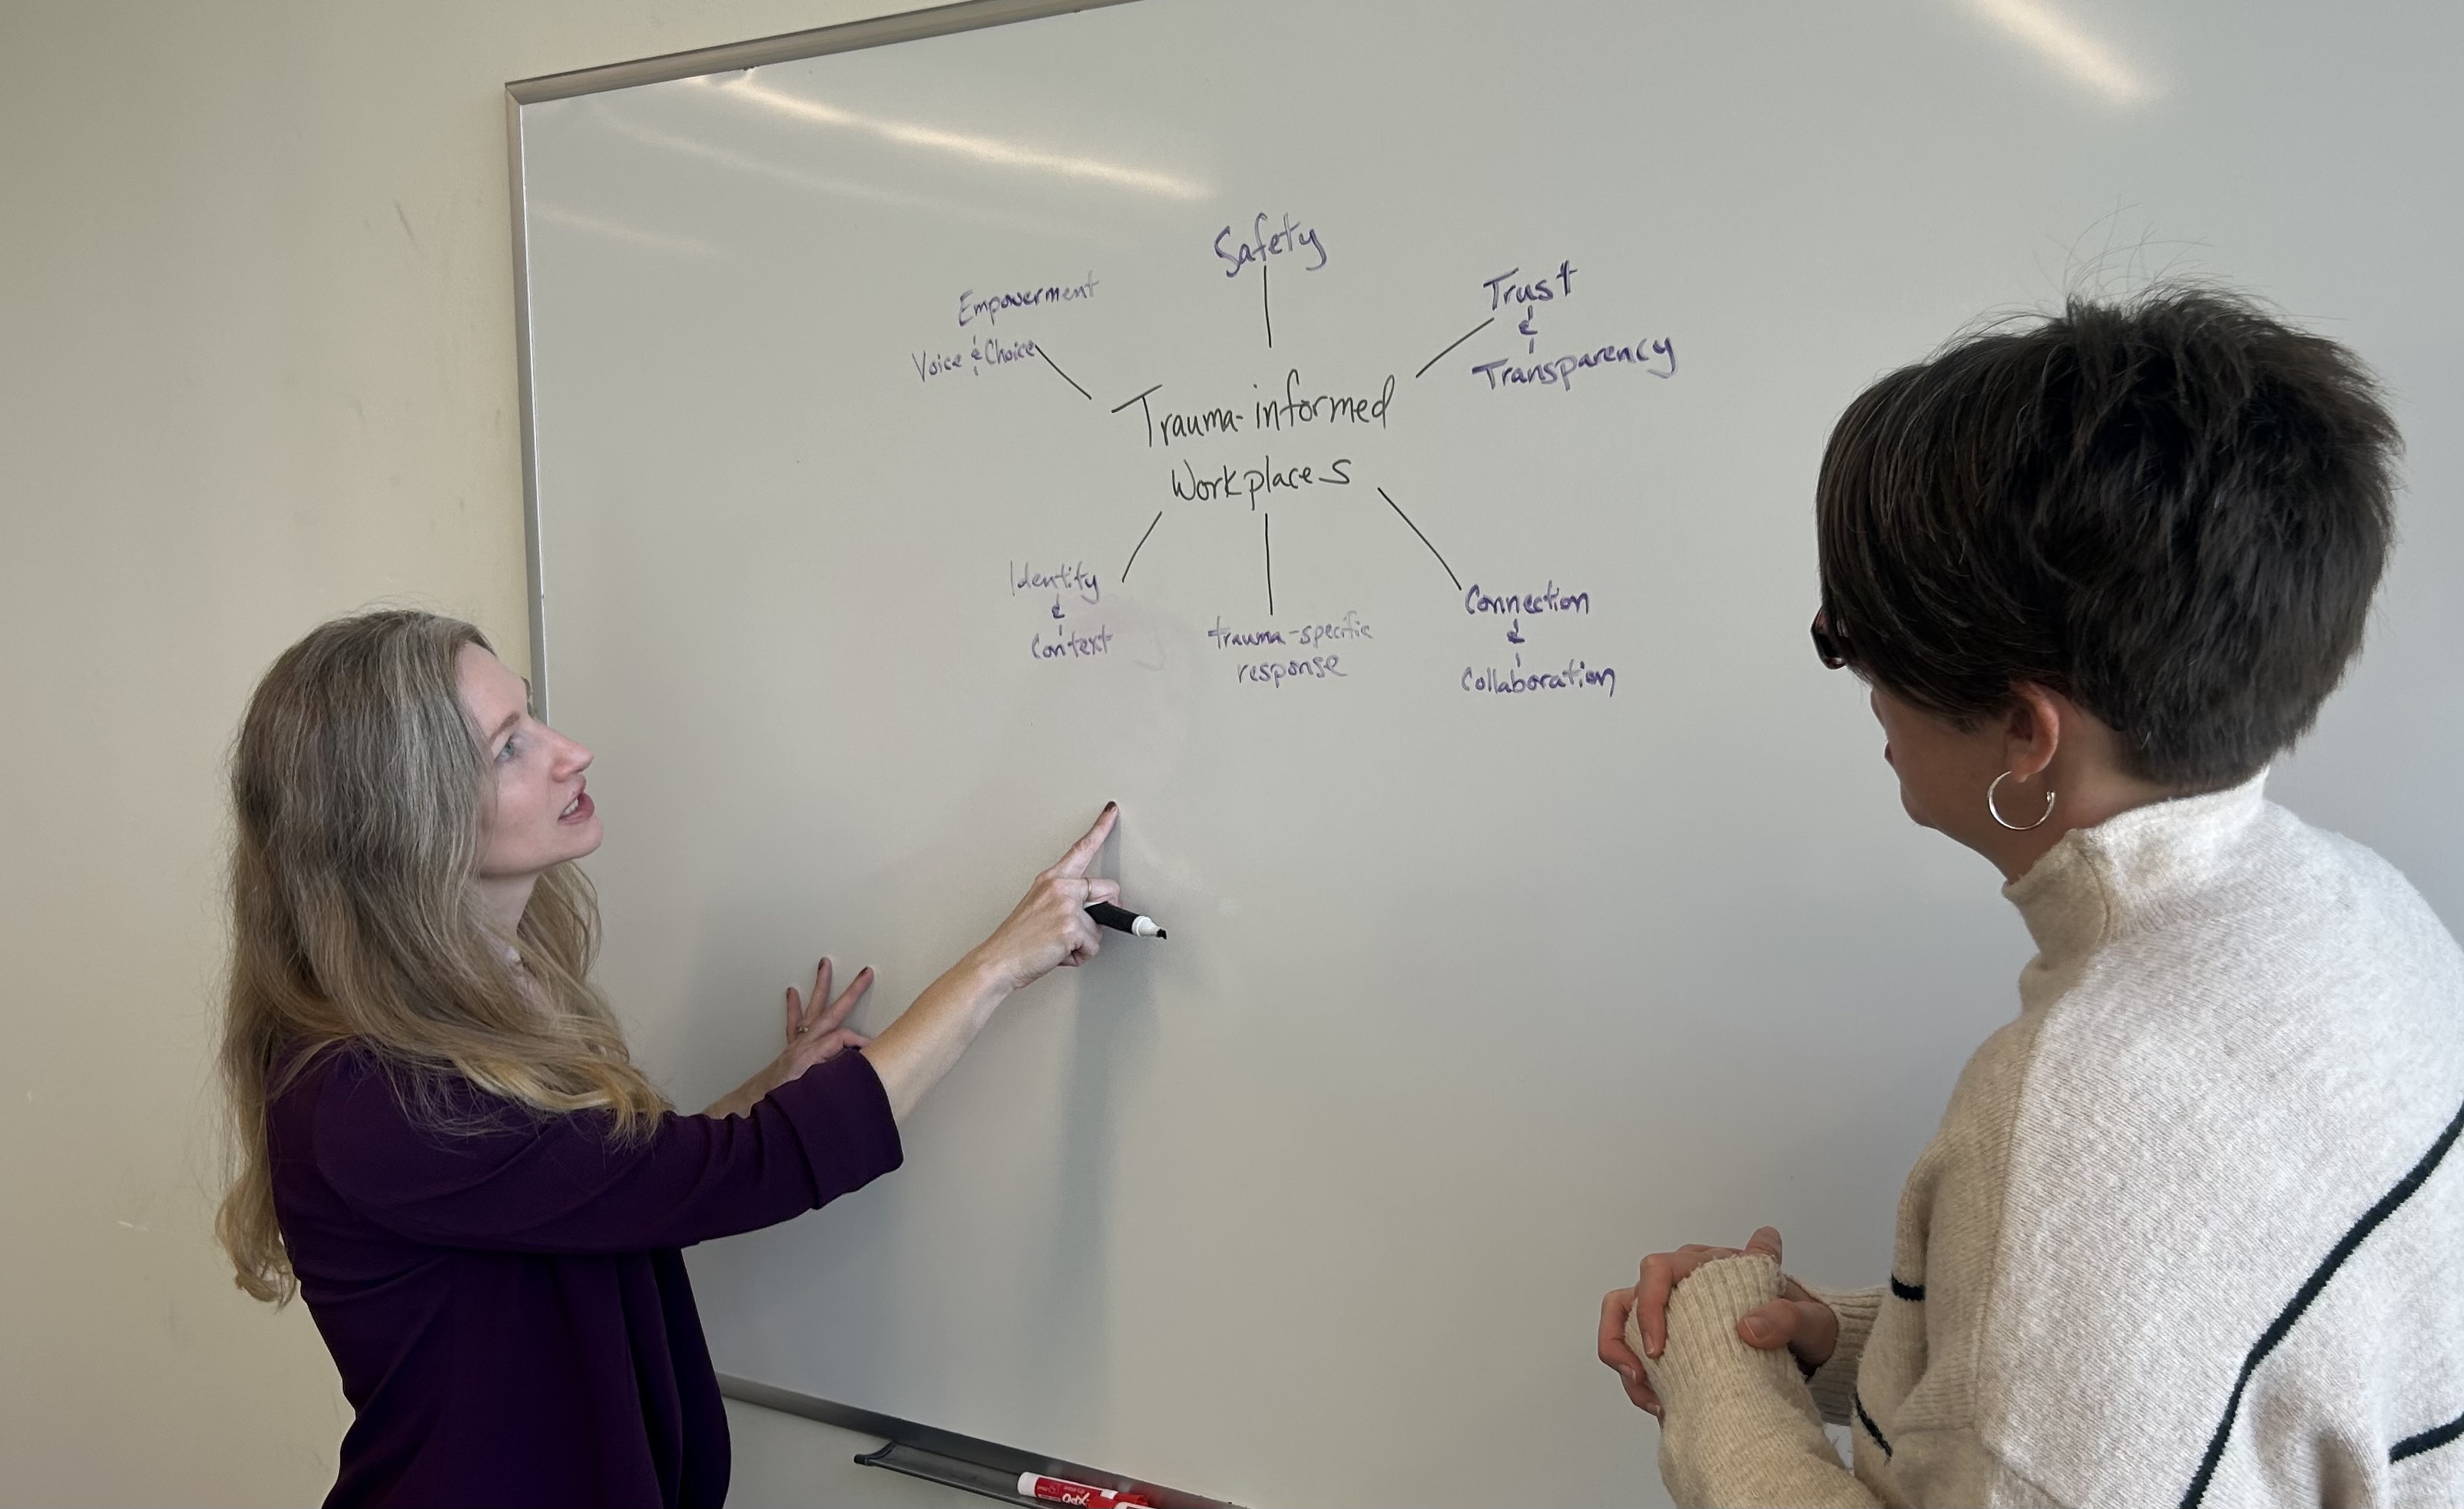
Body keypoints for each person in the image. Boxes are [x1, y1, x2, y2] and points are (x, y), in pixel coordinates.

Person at [1595, 287, 2464, 1506]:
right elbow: (2196, 1365)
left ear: (2022, 730)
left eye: (1848, 640)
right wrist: (1837, 1341)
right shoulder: (2364, 913)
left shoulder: (2072, 1113)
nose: (1860, 691)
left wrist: (1715, 1373)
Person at [214, 609, 1121, 1507]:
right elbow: (724, 1180)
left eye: (530, 716)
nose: (570, 752)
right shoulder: (370, 1093)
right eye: (507, 748)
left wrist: (771, 1089)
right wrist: (1000, 961)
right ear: (400, 823)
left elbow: (603, 1189)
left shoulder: (491, 993)